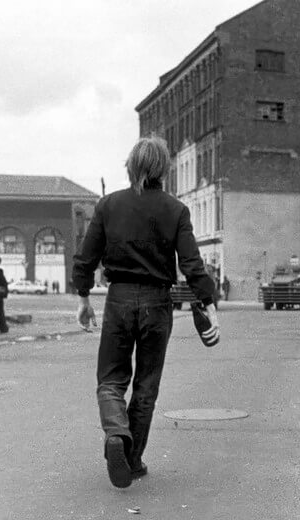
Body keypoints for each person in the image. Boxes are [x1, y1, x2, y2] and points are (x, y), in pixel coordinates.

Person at [72, 135, 219, 489]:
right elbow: (191, 263)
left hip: (119, 299)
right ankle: (132, 459)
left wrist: (83, 298)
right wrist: (209, 302)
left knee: (110, 378)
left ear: (131, 167)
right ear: (164, 170)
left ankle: (116, 434)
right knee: (146, 385)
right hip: (157, 302)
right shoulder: (176, 210)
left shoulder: (108, 206)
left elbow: (86, 257)